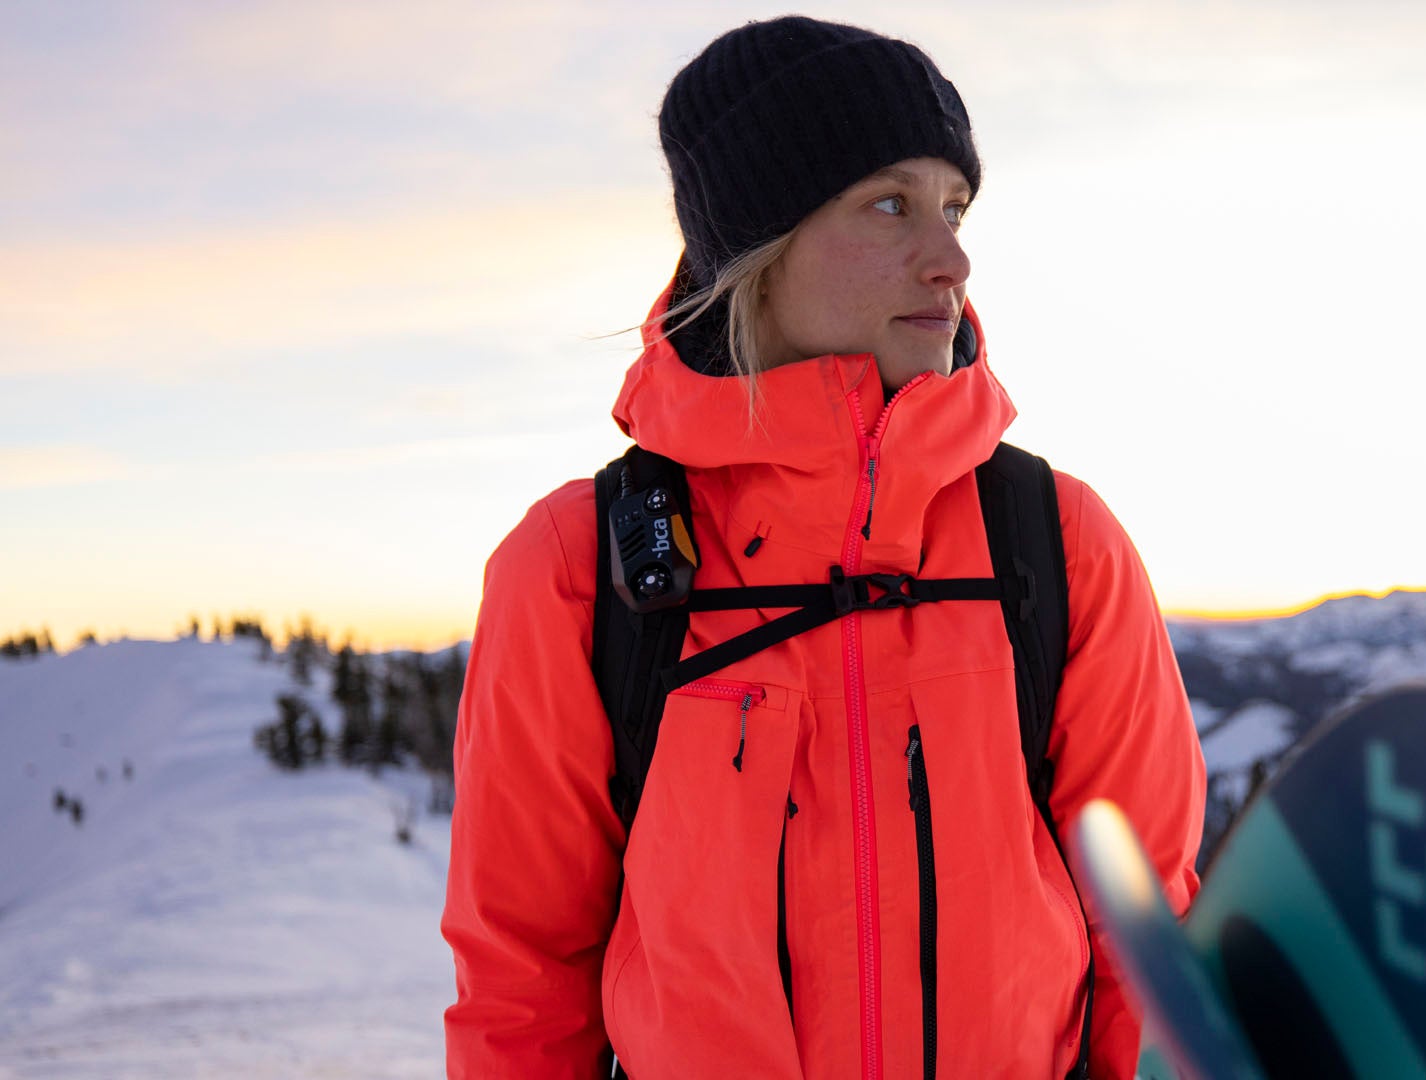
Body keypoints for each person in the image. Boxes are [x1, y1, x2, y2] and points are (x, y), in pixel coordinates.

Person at [441, 16, 1205, 1079]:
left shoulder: (1058, 542)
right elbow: (523, 981)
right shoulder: (580, 569)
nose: (953, 259)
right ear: (759, 251)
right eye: (890, 204)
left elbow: (1147, 946)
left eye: (954, 207)